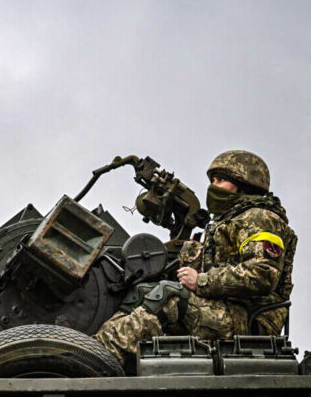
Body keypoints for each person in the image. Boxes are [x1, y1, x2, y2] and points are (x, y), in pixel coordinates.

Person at [92, 150, 297, 365]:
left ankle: (98, 358)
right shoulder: (225, 223)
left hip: (249, 320)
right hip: (224, 309)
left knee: (168, 297)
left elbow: (262, 274)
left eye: (221, 180)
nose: (213, 186)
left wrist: (200, 281)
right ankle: (96, 346)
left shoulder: (261, 218)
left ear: (242, 185)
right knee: (142, 291)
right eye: (213, 180)